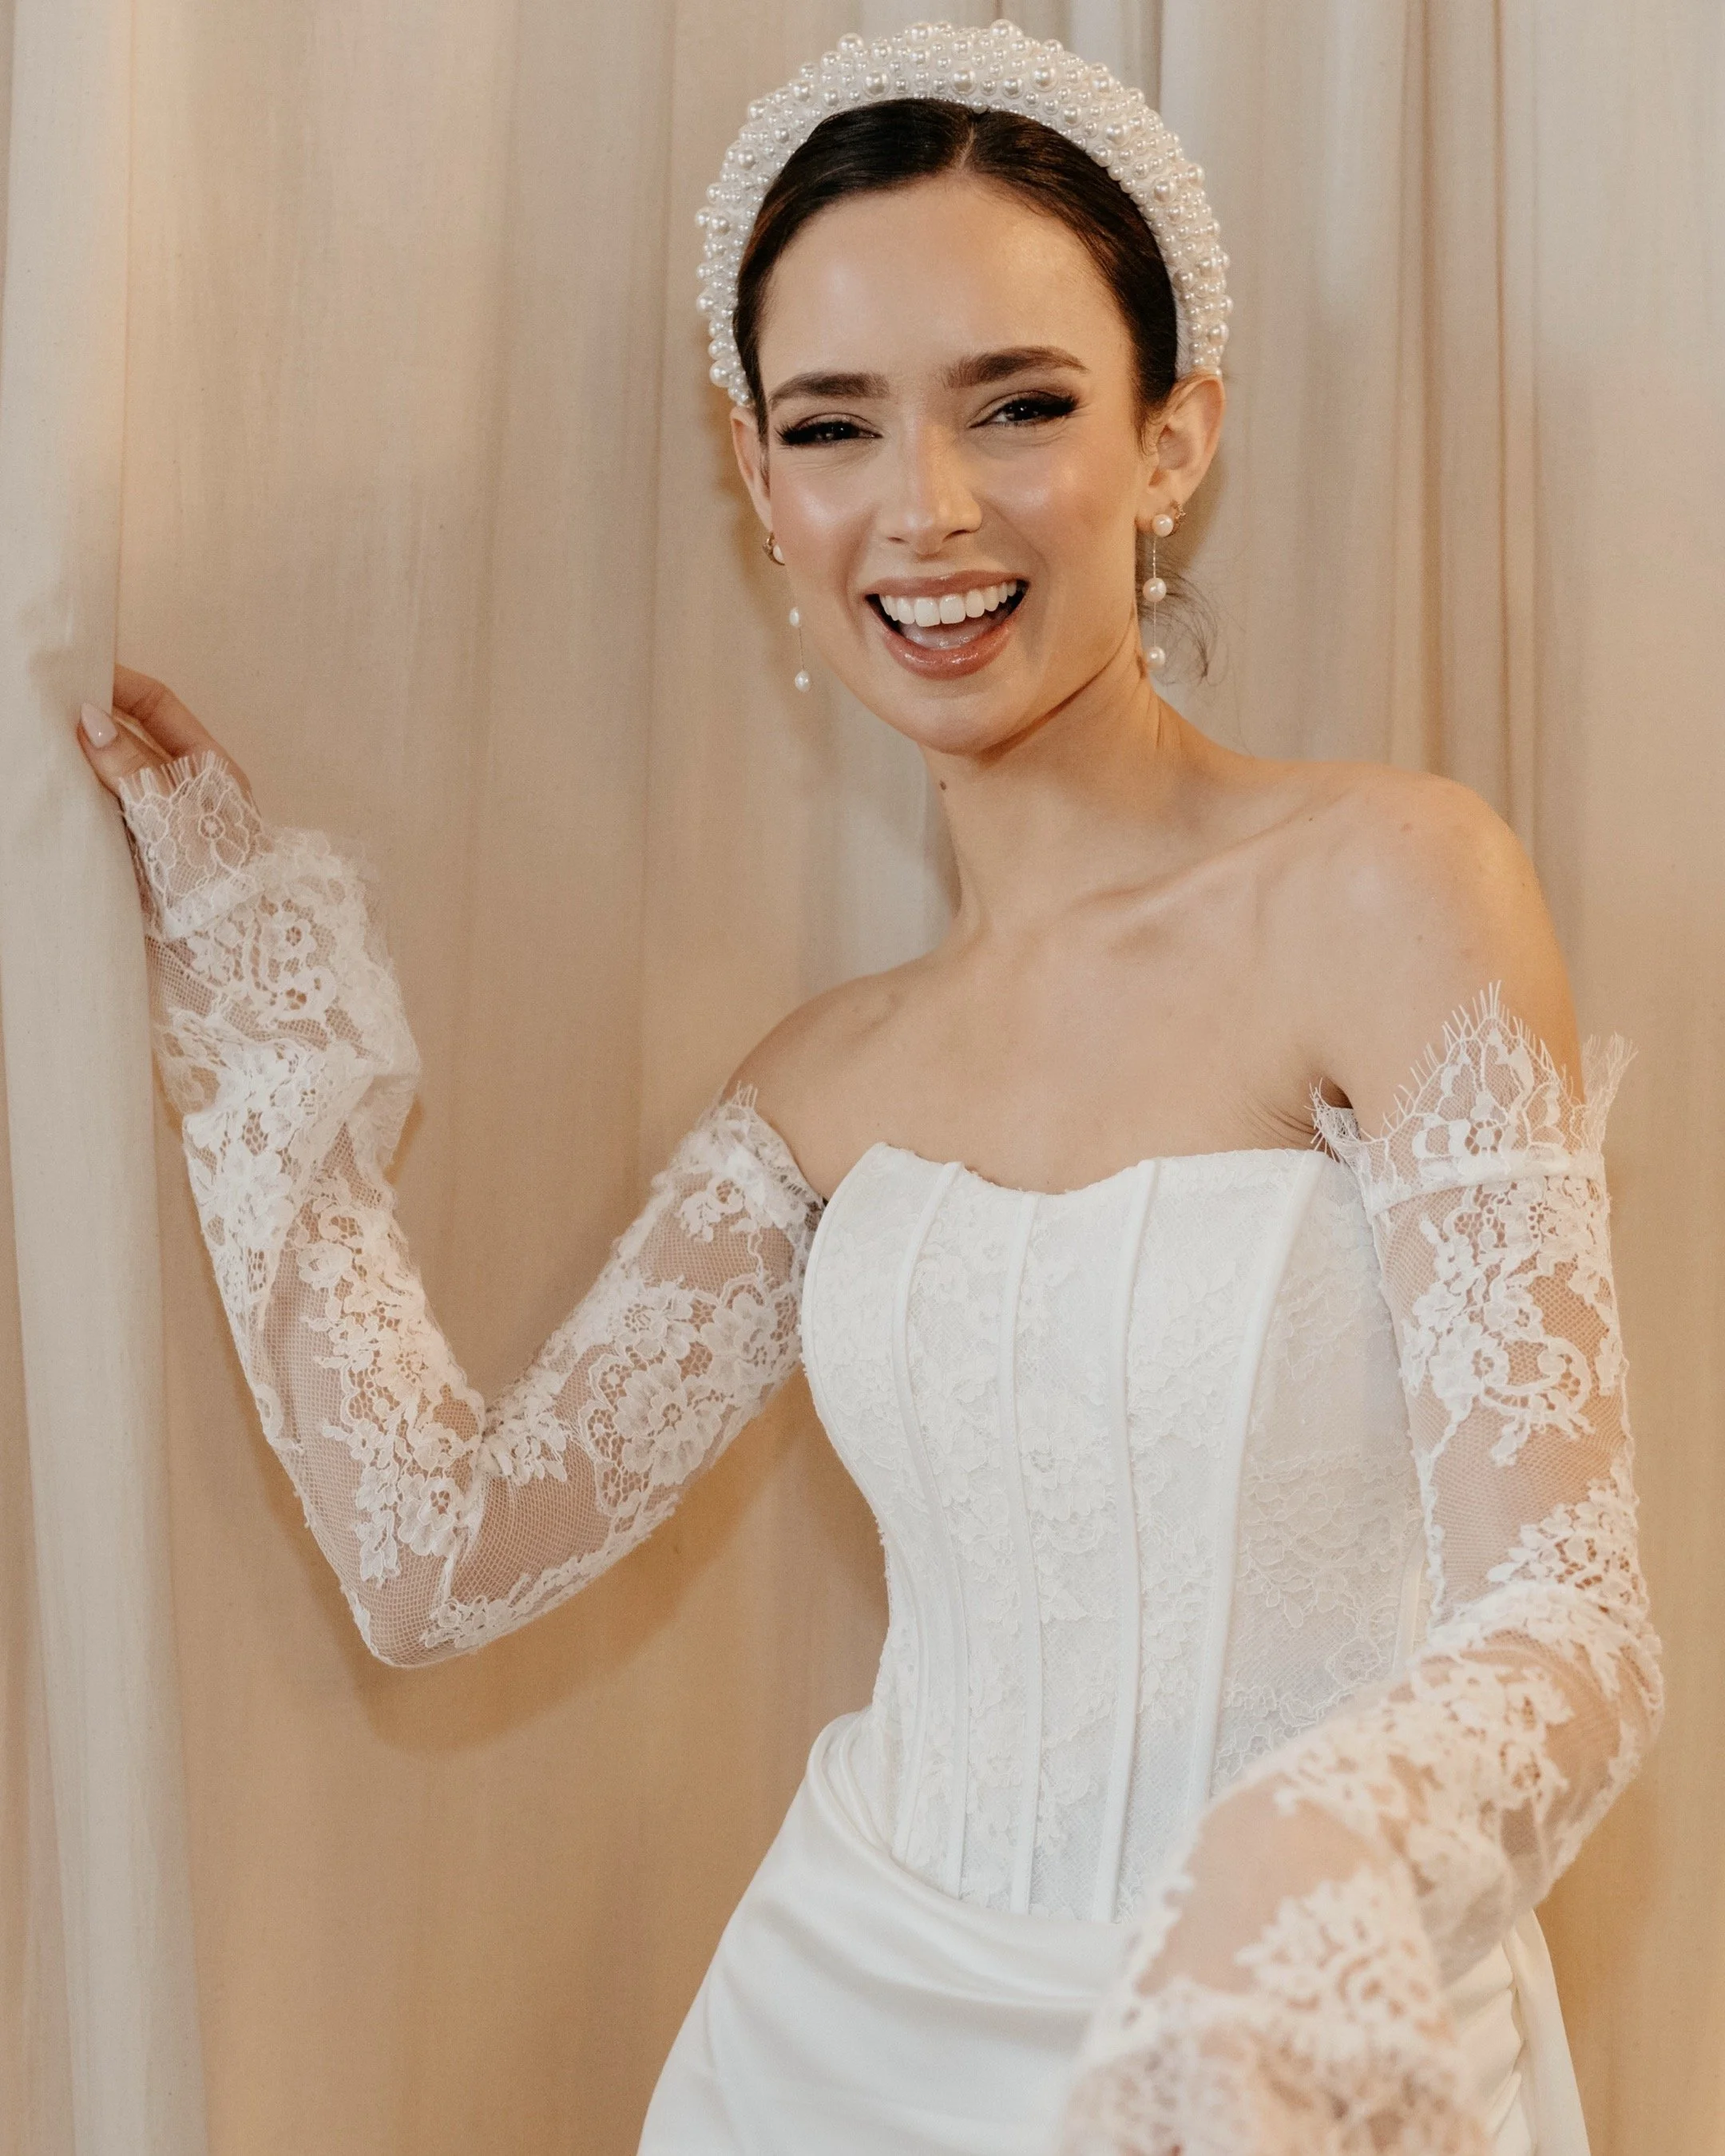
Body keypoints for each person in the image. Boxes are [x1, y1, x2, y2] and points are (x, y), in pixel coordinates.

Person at [76, 23, 1659, 2156]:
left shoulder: (1395, 884)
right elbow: (441, 1556)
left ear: (1173, 438)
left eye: (1019, 405)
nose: (926, 506)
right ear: (761, 486)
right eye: (835, 424)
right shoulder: (819, 1085)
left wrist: (1294, 1884)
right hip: (832, 2045)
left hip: (1301, 2037)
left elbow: (1574, 1621)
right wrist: (260, 996)